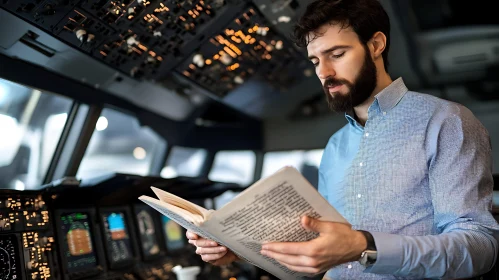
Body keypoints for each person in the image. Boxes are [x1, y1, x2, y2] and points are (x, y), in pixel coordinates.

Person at [186, 0, 499, 278]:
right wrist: (238, 250)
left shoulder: (445, 121)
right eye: (315, 61)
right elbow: (322, 252)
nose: (325, 72)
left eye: (337, 53)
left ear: (376, 45)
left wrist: (365, 246)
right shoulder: (336, 146)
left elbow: (479, 248)